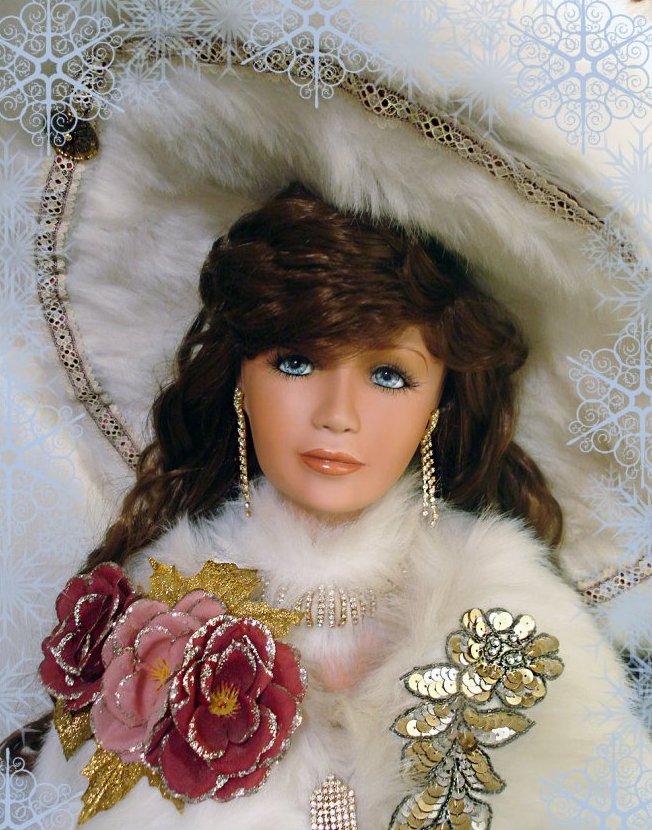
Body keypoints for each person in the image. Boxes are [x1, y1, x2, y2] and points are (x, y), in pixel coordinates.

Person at [21, 183, 650, 828]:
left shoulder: (511, 613)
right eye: (296, 363)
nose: (337, 415)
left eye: (388, 376)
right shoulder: (155, 621)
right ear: (239, 382)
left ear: (439, 403)